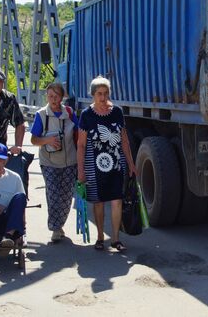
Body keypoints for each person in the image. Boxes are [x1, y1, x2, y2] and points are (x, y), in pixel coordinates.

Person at [77, 76, 136, 252]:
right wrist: (81, 170)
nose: (103, 97)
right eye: (99, 94)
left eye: (106, 93)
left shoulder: (117, 112)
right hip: (93, 166)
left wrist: (131, 164)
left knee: (117, 200)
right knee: (99, 202)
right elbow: (81, 145)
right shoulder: (86, 115)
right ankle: (100, 237)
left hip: (116, 164)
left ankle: (116, 239)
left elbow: (124, 140)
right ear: (93, 95)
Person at [30, 83, 78, 242]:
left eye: (56, 96)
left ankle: (59, 224)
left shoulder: (70, 113)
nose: (53, 99)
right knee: (53, 194)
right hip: (48, 162)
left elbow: (80, 133)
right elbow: (34, 139)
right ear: (46, 96)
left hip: (70, 161)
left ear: (62, 97)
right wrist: (47, 140)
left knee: (66, 197)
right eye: (50, 96)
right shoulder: (41, 115)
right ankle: (55, 229)